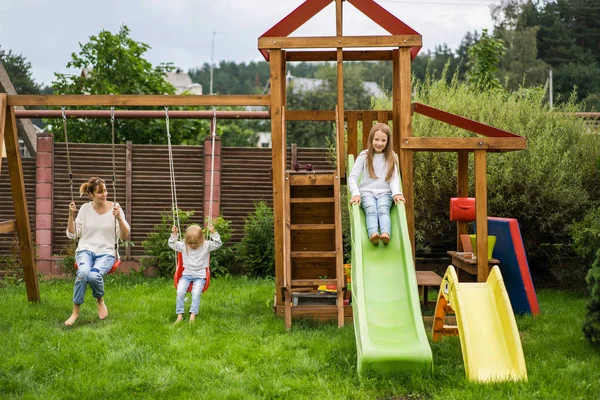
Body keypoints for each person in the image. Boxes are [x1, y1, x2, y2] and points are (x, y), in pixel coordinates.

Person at [65, 177, 130, 326]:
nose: (104, 194)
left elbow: (125, 236)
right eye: (100, 192)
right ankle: (75, 312)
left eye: (105, 190)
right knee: (82, 273)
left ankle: (100, 300)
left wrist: (119, 217)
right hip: (85, 251)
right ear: (91, 195)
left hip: (107, 253)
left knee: (94, 276)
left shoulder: (115, 207)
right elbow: (73, 234)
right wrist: (70, 215)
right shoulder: (85, 209)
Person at [348, 123, 405, 245]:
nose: (379, 143)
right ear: (371, 139)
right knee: (371, 209)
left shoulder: (391, 157)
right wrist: (356, 193)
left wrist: (396, 193)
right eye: (376, 139)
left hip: (385, 193)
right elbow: (352, 177)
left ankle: (385, 233)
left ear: (388, 141)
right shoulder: (364, 156)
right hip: (366, 192)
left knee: (383, 209)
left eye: (383, 140)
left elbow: (394, 178)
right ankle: (373, 233)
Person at [169, 223, 222, 324]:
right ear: (186, 241)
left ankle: (193, 315)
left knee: (196, 293)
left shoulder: (206, 245)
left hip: (200, 276)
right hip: (186, 275)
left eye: (195, 243)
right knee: (180, 292)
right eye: (190, 243)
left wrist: (213, 233)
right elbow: (172, 244)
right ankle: (179, 315)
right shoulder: (184, 245)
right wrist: (174, 234)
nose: (193, 245)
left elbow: (218, 244)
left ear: (201, 239)